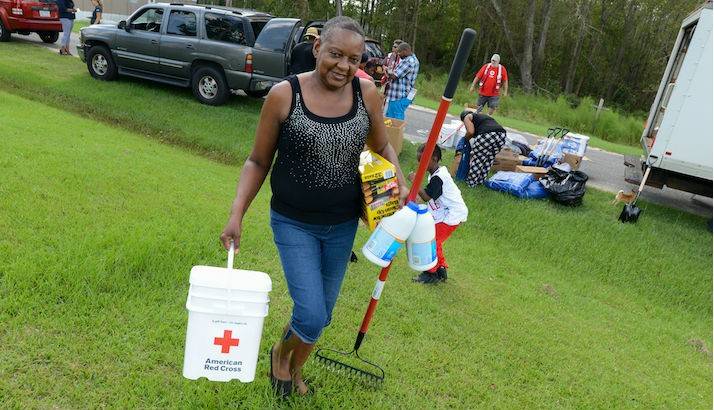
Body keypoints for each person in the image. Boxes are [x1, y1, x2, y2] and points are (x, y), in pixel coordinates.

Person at [219, 16, 408, 398]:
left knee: (323, 315)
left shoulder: (366, 94)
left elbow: (383, 146)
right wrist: (236, 214)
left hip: (341, 224)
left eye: (354, 59)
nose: (343, 66)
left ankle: (294, 366)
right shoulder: (284, 95)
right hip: (293, 222)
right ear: (318, 46)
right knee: (311, 314)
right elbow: (258, 161)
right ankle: (279, 355)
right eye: (336, 54)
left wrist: (398, 180)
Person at [409, 144, 468, 284]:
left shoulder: (439, 177)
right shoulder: (436, 174)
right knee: (435, 241)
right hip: (447, 213)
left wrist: (414, 181)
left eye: (423, 161)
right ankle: (441, 270)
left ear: (434, 158)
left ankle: (431, 273)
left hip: (453, 214)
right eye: (419, 161)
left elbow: (427, 197)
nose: (420, 165)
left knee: (432, 241)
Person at [459, 109, 507, 186]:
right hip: (502, 135)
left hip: (488, 135)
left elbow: (471, 132)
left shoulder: (467, 117)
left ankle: (471, 184)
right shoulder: (482, 117)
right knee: (488, 159)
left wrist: (464, 139)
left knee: (478, 160)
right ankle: (481, 181)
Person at [385, 42, 419, 120]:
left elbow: (394, 76)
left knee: (394, 121)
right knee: (391, 120)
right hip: (403, 95)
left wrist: (388, 70)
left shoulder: (408, 61)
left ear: (405, 51)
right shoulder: (414, 59)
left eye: (399, 52)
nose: (398, 55)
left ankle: (393, 133)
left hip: (399, 96)